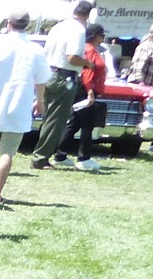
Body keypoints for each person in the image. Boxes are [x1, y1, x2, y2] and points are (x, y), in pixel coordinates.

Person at [0, 9, 48, 202]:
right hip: (19, 104)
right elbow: (41, 79)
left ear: (8, 23)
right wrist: (39, 100)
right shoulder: (35, 50)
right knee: (7, 152)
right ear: (27, 24)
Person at [32, 0, 90, 168]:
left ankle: (40, 153)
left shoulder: (59, 26)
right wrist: (88, 63)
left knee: (47, 117)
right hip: (64, 76)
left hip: (49, 73)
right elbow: (72, 56)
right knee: (56, 120)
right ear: (88, 15)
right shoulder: (78, 30)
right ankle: (40, 158)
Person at [56, 22, 108, 170]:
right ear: (95, 36)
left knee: (74, 123)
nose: (103, 37)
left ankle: (60, 155)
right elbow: (87, 73)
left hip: (86, 90)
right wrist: (90, 93)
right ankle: (83, 158)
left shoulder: (92, 49)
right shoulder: (90, 50)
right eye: (102, 35)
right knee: (87, 125)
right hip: (86, 91)